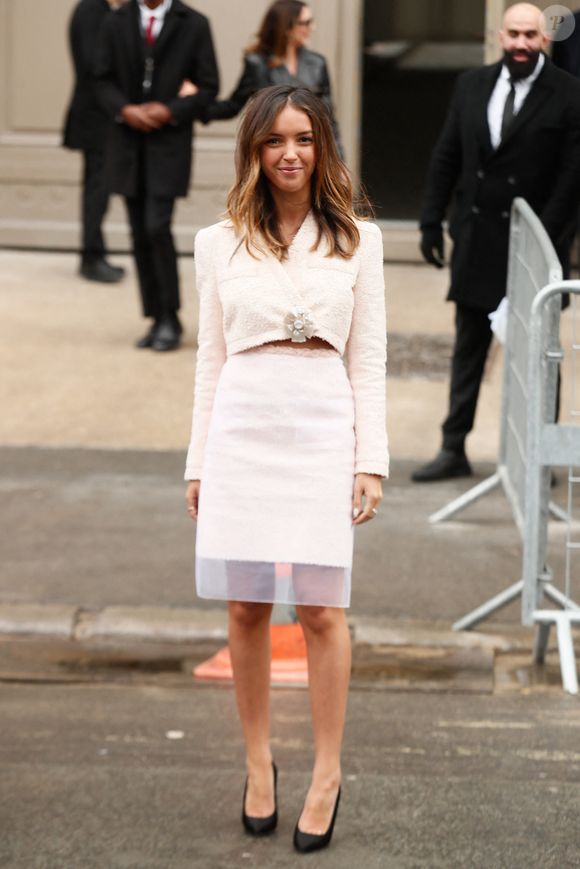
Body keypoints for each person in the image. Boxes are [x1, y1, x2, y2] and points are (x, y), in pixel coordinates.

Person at [184, 84, 388, 852]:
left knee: (320, 610)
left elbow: (368, 359)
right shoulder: (216, 241)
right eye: (274, 141)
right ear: (255, 151)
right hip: (242, 425)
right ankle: (258, 761)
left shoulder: (360, 242)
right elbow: (210, 358)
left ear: (322, 146)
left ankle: (328, 772)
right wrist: (197, 461)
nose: (290, 153)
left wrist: (371, 459)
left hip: (322, 426)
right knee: (244, 608)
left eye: (303, 138)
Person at [412, 2, 580, 483]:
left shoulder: (569, 96)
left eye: (531, 35)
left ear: (545, 38)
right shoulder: (471, 85)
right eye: (513, 34)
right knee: (469, 349)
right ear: (499, 35)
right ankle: (452, 447)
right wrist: (430, 221)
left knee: (539, 355)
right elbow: (448, 154)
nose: (522, 44)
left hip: (536, 250)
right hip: (477, 241)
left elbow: (571, 183)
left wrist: (540, 245)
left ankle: (542, 456)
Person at [94, 0, 219, 351]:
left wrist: (169, 110)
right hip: (127, 145)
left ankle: (170, 317)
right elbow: (101, 80)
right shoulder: (115, 22)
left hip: (169, 146)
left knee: (156, 226)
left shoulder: (194, 23)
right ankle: (154, 315)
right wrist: (125, 110)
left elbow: (208, 86)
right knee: (137, 231)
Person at [203, 0, 343, 154]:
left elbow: (329, 117)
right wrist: (192, 103)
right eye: (305, 23)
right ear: (287, 26)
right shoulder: (258, 64)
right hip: (273, 149)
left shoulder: (317, 63)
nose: (312, 28)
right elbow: (233, 105)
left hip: (310, 150)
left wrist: (339, 160)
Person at [63, 0, 126, 284]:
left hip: (108, 116)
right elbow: (92, 64)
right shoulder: (90, 10)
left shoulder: (117, 11)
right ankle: (91, 257)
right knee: (96, 190)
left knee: (101, 188)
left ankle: (95, 253)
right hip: (94, 117)